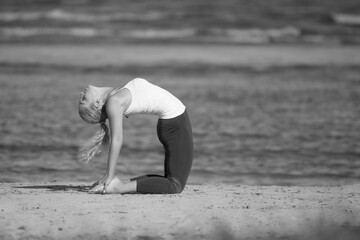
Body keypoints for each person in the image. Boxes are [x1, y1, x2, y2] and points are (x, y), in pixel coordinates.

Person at [78, 78, 193, 194]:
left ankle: (119, 184)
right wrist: (109, 175)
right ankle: (118, 187)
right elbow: (116, 139)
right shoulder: (114, 102)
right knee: (175, 185)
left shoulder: (115, 94)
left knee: (170, 180)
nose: (81, 94)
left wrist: (108, 176)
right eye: (83, 100)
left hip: (174, 122)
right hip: (175, 123)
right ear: (97, 103)